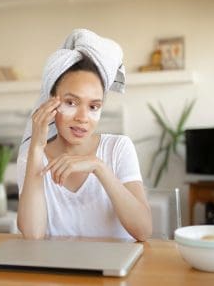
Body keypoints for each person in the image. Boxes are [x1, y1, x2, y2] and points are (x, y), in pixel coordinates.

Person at [17, 29, 152, 241]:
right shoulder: (32, 156)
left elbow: (143, 231)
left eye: (93, 106)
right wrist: (36, 147)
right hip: (58, 271)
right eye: (71, 102)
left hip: (116, 271)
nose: (83, 118)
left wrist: (99, 167)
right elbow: (33, 234)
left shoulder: (118, 148)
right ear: (51, 101)